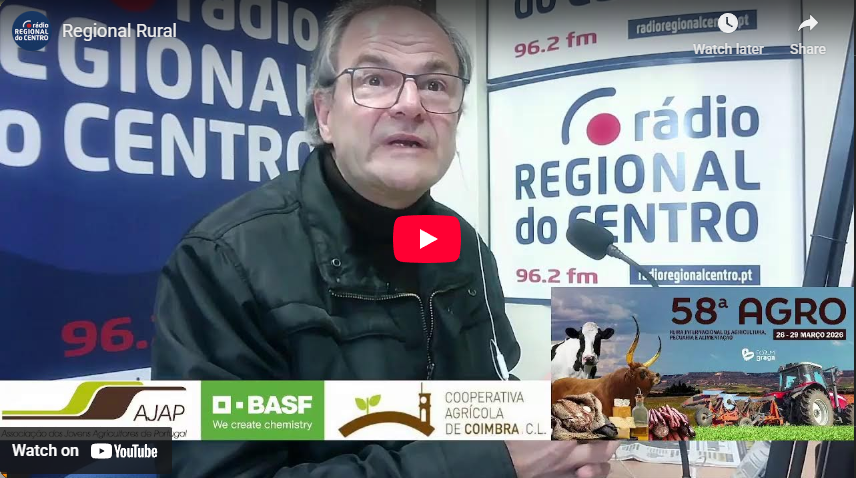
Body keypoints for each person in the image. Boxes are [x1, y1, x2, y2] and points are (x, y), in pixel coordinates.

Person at [151, 0, 619, 477]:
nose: (410, 104)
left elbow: (491, 397)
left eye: (435, 84)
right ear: (325, 114)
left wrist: (556, 445)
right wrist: (495, 462)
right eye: (375, 79)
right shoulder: (224, 260)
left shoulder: (464, 245)